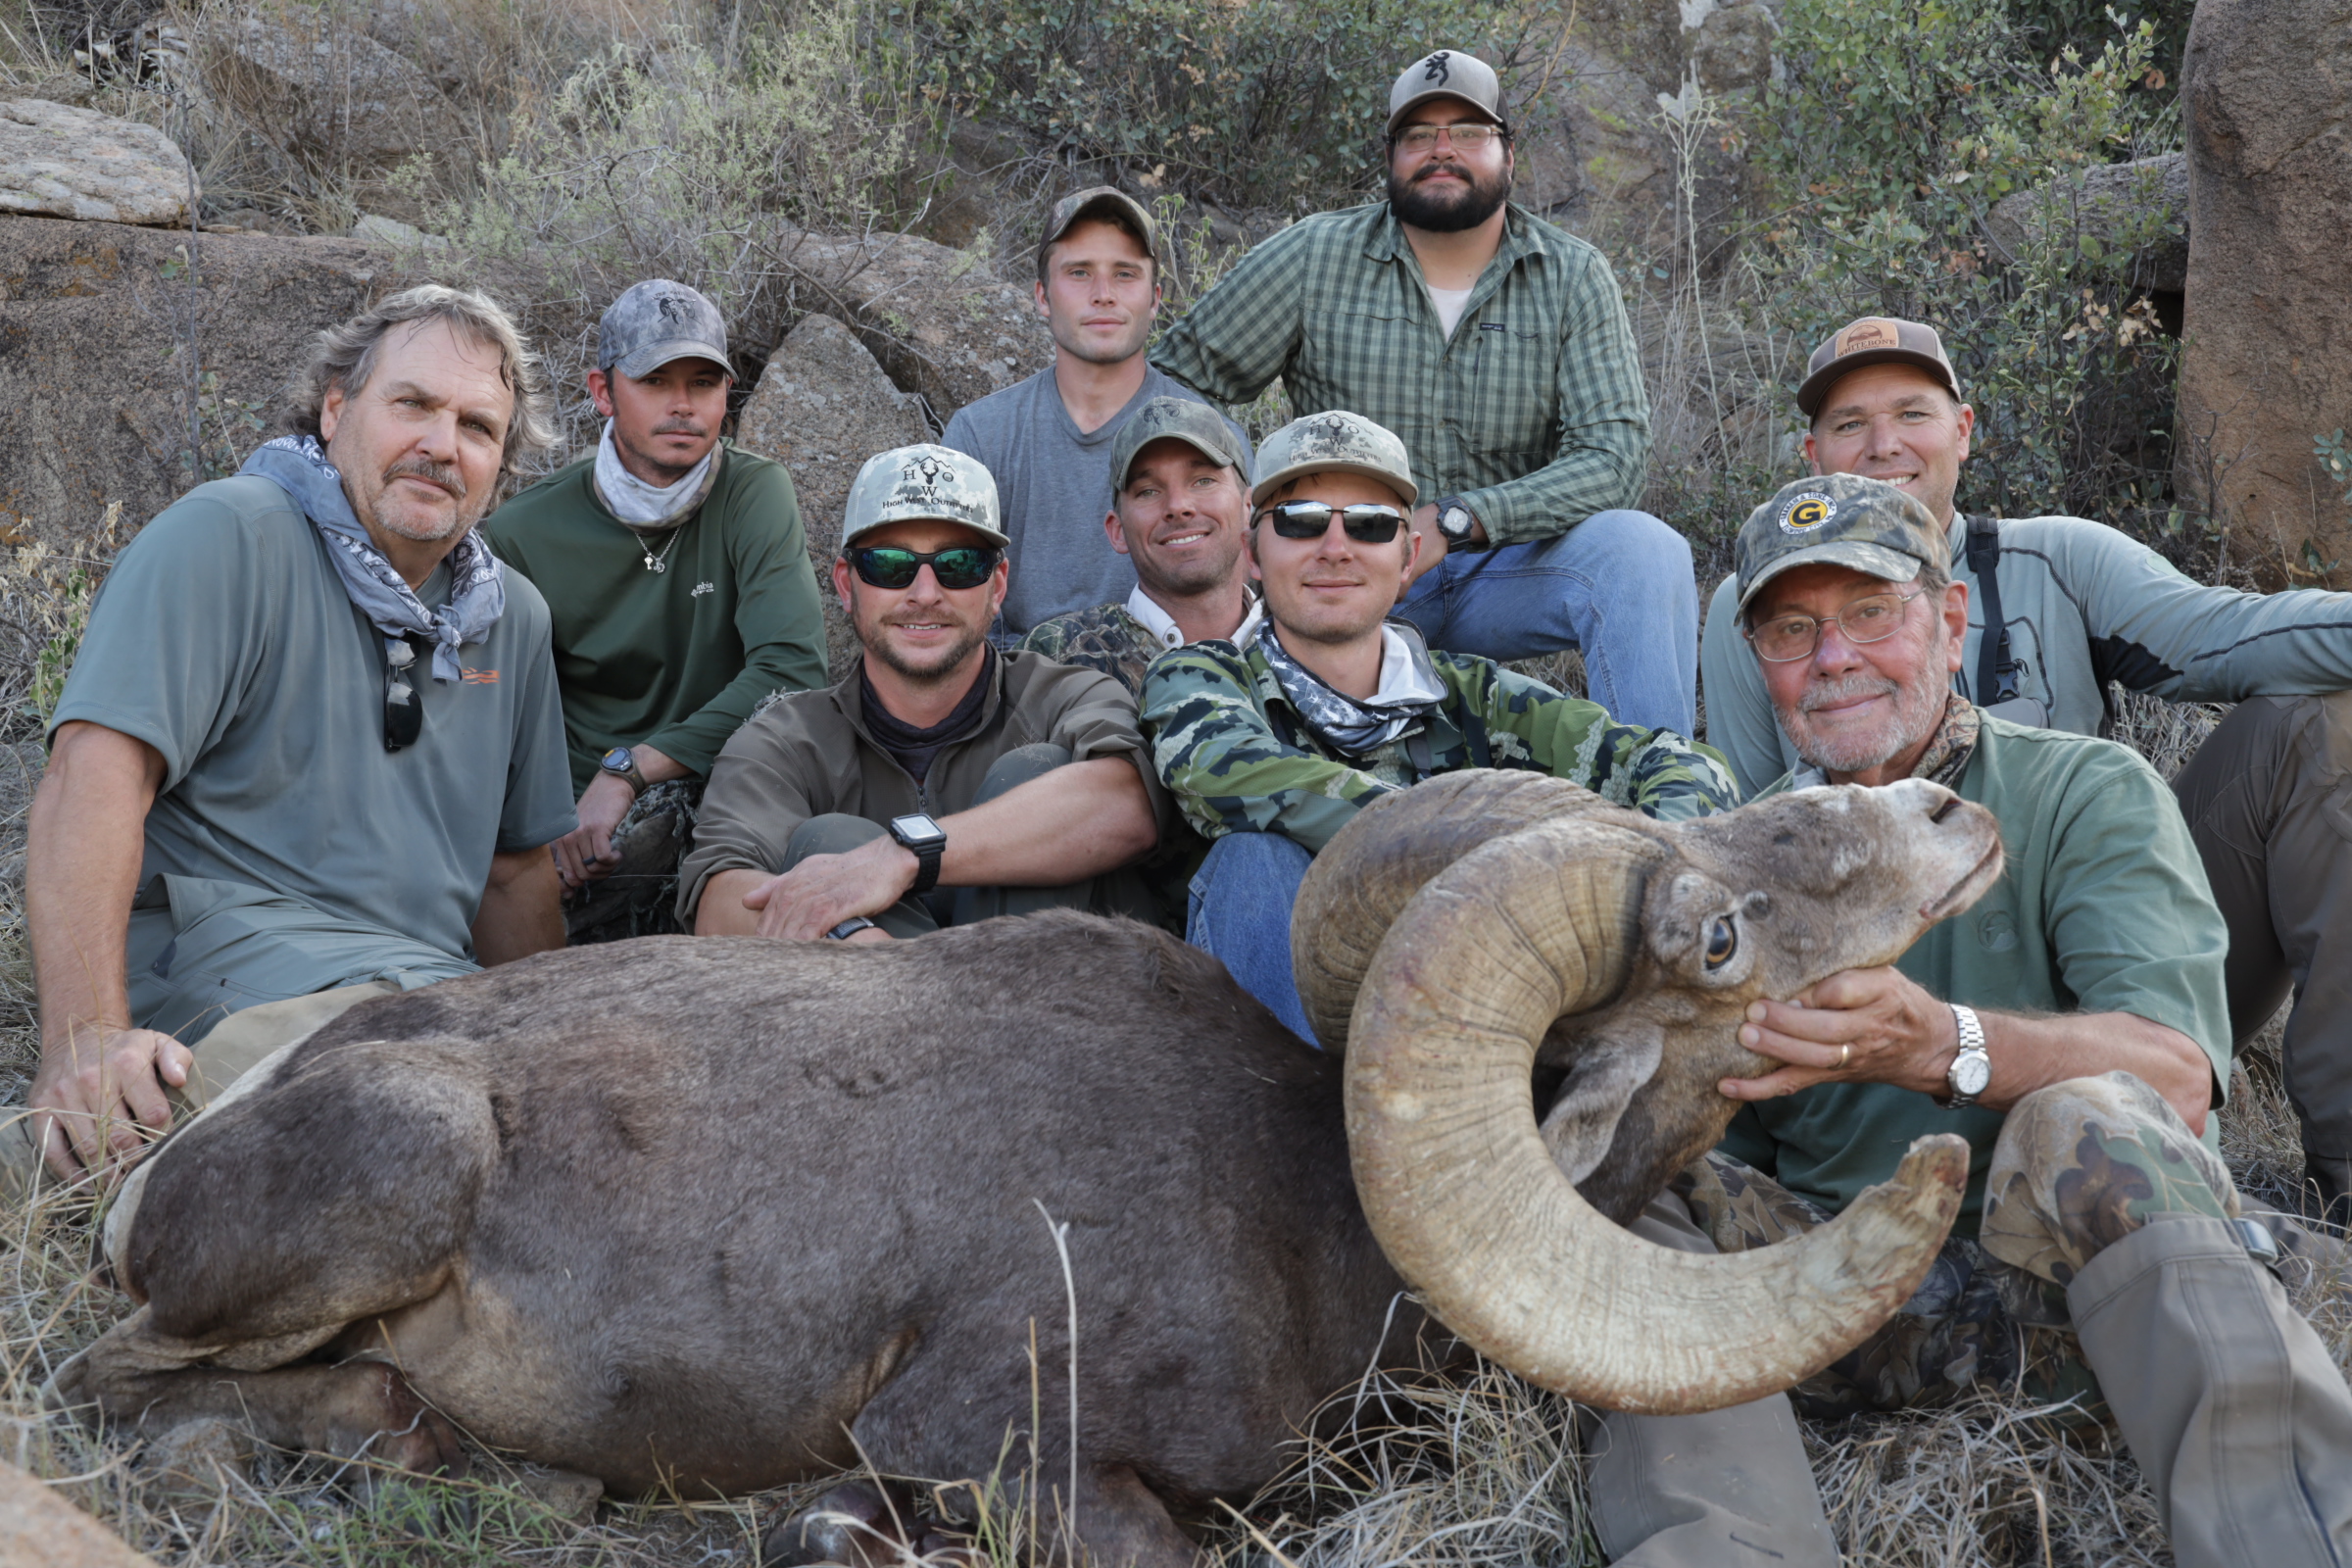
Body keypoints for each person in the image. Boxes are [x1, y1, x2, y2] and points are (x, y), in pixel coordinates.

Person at [1697, 471, 2352, 1566]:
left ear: (1948, 620)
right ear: (1757, 661)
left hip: (2090, 1287)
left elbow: (2176, 1075)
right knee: (1643, 1176)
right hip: (1845, 1311)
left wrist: (1940, 1044)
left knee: (2084, 1114)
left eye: (1871, 613)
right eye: (1791, 629)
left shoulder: (2085, 789)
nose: (1834, 657)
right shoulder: (1735, 867)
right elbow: (1729, 1153)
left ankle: (2290, 1539)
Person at [1699, 315, 2352, 1221]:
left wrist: (1941, 1041)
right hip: (1861, 965)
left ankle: (2341, 1180)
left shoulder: (2060, 564)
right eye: (1851, 424)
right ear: (1812, 452)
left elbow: (2224, 637)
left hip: (2092, 928)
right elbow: (1759, 804)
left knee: (2321, 724)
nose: (1883, 444)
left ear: (1965, 429)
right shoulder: (1747, 603)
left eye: (1912, 413)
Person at [20, 286, 575, 1187]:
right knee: (406, 1080)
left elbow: (515, 873)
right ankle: (49, 1175)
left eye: (478, 426)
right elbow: (95, 774)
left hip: (426, 989)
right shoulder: (233, 535)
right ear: (334, 407)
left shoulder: (512, 620)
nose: (442, 444)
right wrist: (85, 1040)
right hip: (226, 956)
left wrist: (564, 1035)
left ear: (500, 464)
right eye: (413, 404)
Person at [1148, 50, 1696, 736]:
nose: (1442, 150)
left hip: (1500, 572)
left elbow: (1614, 455)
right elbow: (1177, 386)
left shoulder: (1573, 275)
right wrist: (1253, 513)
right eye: (1418, 135)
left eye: (1467, 131)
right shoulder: (1314, 255)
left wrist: (1459, 520)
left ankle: (1665, 808)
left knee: (1645, 553)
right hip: (1343, 563)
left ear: (1508, 151)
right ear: (1390, 155)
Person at [1143, 410, 1737, 1043]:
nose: (1335, 548)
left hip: (1460, 1011)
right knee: (1255, 859)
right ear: (1254, 552)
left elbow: (1683, 765)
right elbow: (1221, 771)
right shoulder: (1204, 676)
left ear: (1409, 559)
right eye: (1301, 521)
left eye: (1371, 526)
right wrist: (1485, 850)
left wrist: (1625, 865)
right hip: (1270, 1053)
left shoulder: (1472, 696)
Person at [680, 444, 1164, 940]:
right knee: (831, 839)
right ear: (847, 587)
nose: (926, 593)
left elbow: (1128, 805)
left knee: (1036, 770)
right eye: (890, 565)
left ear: (997, 586)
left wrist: (902, 857)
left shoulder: (1065, 695)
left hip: (1079, 1006)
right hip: (891, 1011)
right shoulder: (783, 741)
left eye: (959, 564)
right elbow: (719, 903)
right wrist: (887, 966)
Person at [482, 279, 826, 940]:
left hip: (719, 779)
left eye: (703, 382)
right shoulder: (523, 530)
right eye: (655, 381)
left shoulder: (754, 493)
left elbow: (792, 668)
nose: (683, 406)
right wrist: (545, 819)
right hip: (571, 814)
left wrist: (631, 770)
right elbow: (501, 708)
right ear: (603, 391)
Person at [942, 187, 1250, 642]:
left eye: (1125, 274)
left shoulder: (1215, 438)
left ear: (1156, 298)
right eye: (1080, 272)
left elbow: (1240, 612)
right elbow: (951, 601)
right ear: (1043, 296)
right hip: (1020, 692)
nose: (1104, 294)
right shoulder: (980, 436)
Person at [1019, 395, 1260, 695]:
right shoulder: (1055, 658)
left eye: (1203, 480)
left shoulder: (1302, 641)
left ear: (1248, 508)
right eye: (1148, 491)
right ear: (1117, 530)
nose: (1178, 506)